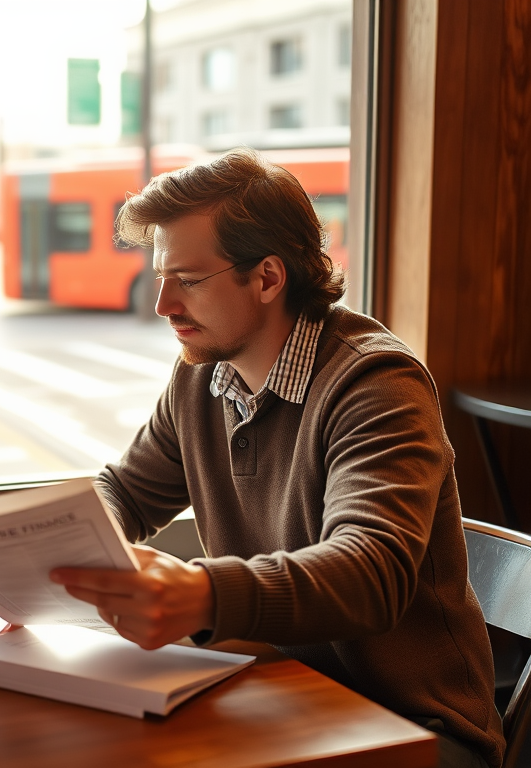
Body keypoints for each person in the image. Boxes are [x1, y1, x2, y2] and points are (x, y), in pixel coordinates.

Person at [49, 149, 505, 768]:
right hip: (282, 693)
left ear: (266, 277)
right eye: (161, 276)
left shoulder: (376, 384)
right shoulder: (202, 378)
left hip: (414, 727)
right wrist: (62, 542)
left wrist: (203, 594)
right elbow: (126, 493)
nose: (162, 305)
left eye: (187, 278)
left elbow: (371, 575)